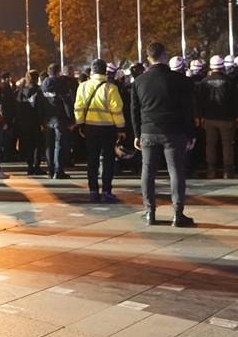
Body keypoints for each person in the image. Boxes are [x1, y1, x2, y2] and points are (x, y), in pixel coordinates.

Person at [131, 42, 196, 227]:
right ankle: (178, 213)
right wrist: (190, 133)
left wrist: (137, 133)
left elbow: (134, 110)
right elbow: (188, 110)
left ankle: (150, 212)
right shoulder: (181, 80)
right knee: (176, 171)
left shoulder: (139, 81)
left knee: (148, 171)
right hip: (174, 131)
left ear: (148, 57)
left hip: (148, 131)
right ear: (164, 56)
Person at [75, 58, 127, 203]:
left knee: (92, 160)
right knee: (108, 160)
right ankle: (106, 191)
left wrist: (81, 124)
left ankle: (93, 191)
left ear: (92, 71)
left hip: (89, 128)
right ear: (105, 72)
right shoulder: (111, 88)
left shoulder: (83, 87)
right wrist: (121, 128)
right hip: (107, 129)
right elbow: (117, 110)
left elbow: (78, 107)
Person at [197, 55, 238, 179]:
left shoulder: (204, 82)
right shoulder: (229, 81)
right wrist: (237, 116)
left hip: (209, 118)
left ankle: (211, 170)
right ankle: (228, 171)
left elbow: (200, 101)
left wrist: (200, 116)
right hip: (227, 118)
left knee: (210, 145)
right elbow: (235, 101)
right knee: (227, 145)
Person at [40, 63, 75, 179]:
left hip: (47, 119)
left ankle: (50, 170)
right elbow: (67, 102)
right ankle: (58, 170)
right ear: (59, 72)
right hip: (60, 118)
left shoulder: (43, 85)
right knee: (59, 144)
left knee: (49, 145)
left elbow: (40, 103)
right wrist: (71, 119)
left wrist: (41, 119)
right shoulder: (61, 83)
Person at [16, 70, 44, 175]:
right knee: (37, 144)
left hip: (24, 121)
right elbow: (40, 107)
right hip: (35, 121)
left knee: (28, 144)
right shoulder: (38, 90)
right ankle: (36, 166)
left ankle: (30, 166)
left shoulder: (21, 91)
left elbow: (17, 106)